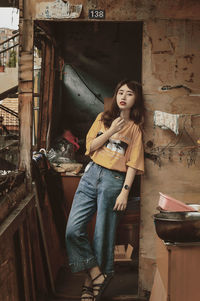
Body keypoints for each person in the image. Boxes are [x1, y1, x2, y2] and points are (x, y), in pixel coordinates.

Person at [65, 79, 145, 301]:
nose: (123, 97)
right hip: (91, 175)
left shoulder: (135, 130)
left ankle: (89, 285)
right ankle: (97, 274)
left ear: (136, 99)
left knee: (102, 234)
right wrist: (111, 131)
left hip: (114, 180)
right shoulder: (102, 119)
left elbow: (133, 165)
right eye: (120, 92)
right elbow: (90, 147)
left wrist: (125, 192)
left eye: (129, 94)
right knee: (73, 230)